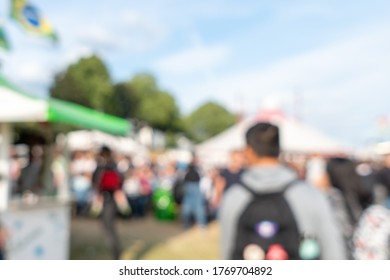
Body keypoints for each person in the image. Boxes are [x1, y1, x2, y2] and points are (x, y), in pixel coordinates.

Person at [219, 122, 347, 260]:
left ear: (248, 151)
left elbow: (228, 252)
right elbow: (333, 250)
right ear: (279, 149)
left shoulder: (234, 197)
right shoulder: (310, 196)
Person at [92, 146, 123, 259]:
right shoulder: (114, 166)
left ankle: (116, 250)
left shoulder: (102, 166)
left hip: (106, 198)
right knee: (108, 224)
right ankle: (115, 248)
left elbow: (94, 180)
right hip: (110, 198)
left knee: (108, 225)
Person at [181, 158, 207, 229]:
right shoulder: (197, 170)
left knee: (190, 208)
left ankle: (187, 224)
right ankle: (201, 224)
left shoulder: (189, 171)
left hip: (191, 188)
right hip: (193, 188)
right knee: (196, 208)